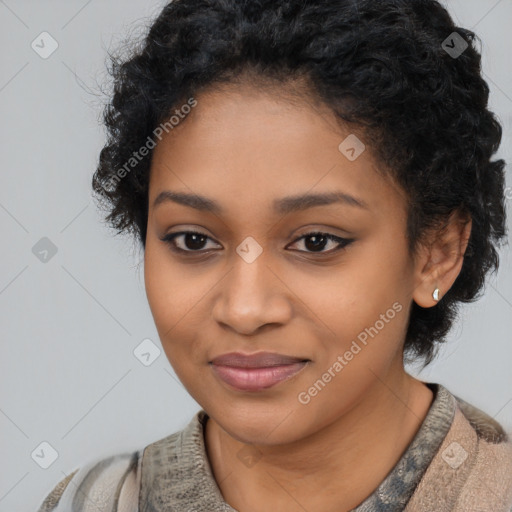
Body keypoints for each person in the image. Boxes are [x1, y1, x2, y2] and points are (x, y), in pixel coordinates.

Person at [37, 0, 512, 510]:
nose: (244, 310)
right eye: (194, 240)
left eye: (316, 241)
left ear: (436, 253)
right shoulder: (92, 502)